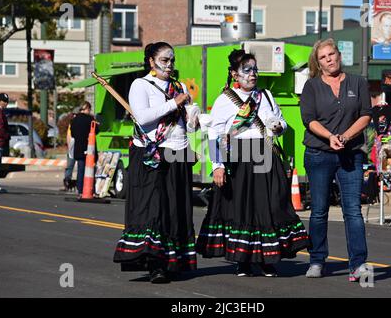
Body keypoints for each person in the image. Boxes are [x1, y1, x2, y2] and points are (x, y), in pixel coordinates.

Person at [196, 49, 310, 277]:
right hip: (239, 159)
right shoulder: (225, 99)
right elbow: (214, 134)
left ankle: (268, 259)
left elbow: (281, 123)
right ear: (234, 74)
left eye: (255, 70)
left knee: (269, 207)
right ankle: (243, 260)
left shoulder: (265, 96)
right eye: (247, 70)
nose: (252, 74)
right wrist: (216, 165)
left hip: (266, 155)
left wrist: (279, 127)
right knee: (243, 209)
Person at [113, 42, 197, 284]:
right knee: (154, 210)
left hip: (178, 151)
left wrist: (195, 117)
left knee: (175, 208)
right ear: (151, 61)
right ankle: (155, 264)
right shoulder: (140, 85)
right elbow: (143, 116)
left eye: (172, 60)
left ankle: (174, 261)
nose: (169, 65)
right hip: (152, 153)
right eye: (164, 60)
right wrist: (175, 103)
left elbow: (187, 119)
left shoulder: (178, 86)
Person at [300, 38, 372, 282]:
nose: (329, 59)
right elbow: (308, 119)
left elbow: (366, 114)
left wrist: (345, 136)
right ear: (318, 63)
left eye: (332, 54)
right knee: (319, 210)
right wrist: (331, 137)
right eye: (323, 57)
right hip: (319, 154)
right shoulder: (311, 86)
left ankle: (359, 264)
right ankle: (317, 260)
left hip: (350, 154)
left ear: (339, 55)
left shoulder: (358, 82)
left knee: (352, 210)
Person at [70, 101, 95, 195]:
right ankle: (90, 189)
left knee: (80, 169)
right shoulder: (90, 119)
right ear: (87, 109)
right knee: (90, 170)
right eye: (89, 109)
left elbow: (72, 134)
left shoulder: (74, 120)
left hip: (78, 148)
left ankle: (79, 189)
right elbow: (96, 131)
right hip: (89, 147)